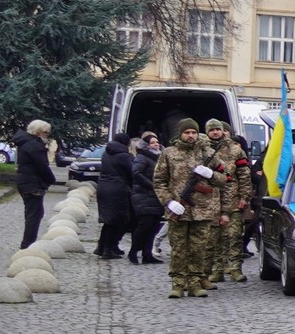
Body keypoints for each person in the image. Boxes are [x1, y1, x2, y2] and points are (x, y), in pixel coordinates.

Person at [152, 117, 224, 298]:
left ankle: (194, 283)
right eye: (187, 132)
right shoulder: (169, 153)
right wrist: (168, 201)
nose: (190, 136)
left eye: (193, 132)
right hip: (178, 209)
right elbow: (159, 181)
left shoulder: (208, 153)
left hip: (202, 210)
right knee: (178, 249)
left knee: (198, 249)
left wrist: (211, 174)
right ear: (180, 134)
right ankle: (177, 284)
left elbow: (225, 179)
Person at [203, 118, 252, 284]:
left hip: (232, 199)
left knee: (235, 235)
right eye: (212, 130)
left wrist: (245, 197)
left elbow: (244, 175)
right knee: (214, 238)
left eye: (218, 129)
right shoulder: (202, 149)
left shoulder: (235, 150)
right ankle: (217, 270)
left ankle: (236, 268)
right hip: (210, 200)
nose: (216, 132)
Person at [13, 120, 55, 250]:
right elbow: (42, 166)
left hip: (25, 181)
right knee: (34, 215)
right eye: (46, 132)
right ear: (38, 132)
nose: (47, 135)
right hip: (32, 183)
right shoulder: (34, 145)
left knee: (35, 214)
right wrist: (51, 179)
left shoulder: (25, 142)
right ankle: (27, 245)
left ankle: (28, 243)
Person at [93, 133, 134, 258]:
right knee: (116, 220)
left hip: (103, 187)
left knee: (108, 220)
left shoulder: (107, 153)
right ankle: (108, 250)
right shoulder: (123, 155)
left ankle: (101, 247)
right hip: (117, 189)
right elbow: (132, 171)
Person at [127, 134, 163, 264]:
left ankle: (147, 254)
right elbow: (136, 173)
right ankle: (133, 251)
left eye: (157, 142)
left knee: (154, 226)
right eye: (153, 142)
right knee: (144, 225)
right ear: (146, 145)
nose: (156, 144)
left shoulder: (159, 158)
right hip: (143, 195)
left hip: (156, 196)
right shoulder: (142, 157)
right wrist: (152, 185)